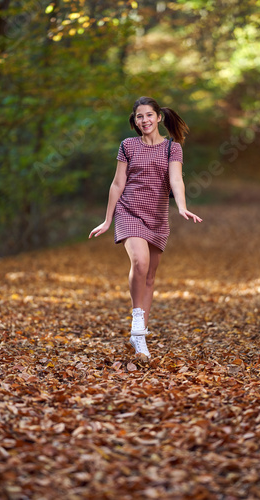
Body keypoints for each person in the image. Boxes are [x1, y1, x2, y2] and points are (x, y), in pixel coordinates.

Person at [89, 96, 202, 358]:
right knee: (139, 262)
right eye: (139, 117)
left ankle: (137, 336)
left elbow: (176, 180)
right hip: (128, 211)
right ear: (135, 120)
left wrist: (182, 206)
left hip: (157, 216)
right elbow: (117, 184)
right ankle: (138, 325)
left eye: (149, 115)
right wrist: (107, 220)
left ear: (159, 117)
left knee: (150, 275)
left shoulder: (172, 148)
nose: (145, 120)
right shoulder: (127, 145)